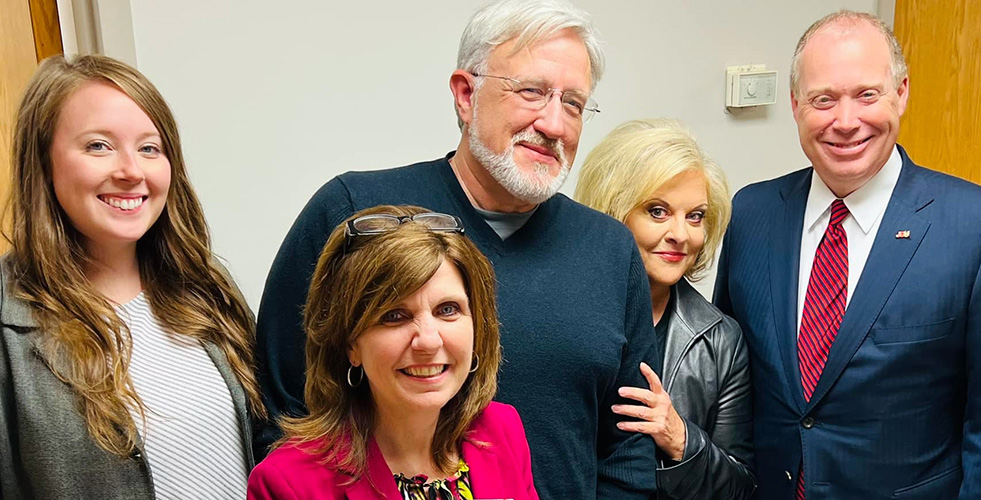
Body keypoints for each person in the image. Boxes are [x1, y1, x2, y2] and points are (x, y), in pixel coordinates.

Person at [254, 1, 658, 498]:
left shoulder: (610, 250)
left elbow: (629, 441)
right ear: (466, 95)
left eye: (573, 103)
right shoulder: (358, 215)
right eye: (531, 92)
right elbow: (282, 406)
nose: (554, 124)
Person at [713, 11, 981, 499]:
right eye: (823, 99)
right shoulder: (752, 212)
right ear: (795, 105)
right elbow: (732, 376)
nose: (845, 122)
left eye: (866, 95)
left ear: (902, 92)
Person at [0, 55, 264, 499]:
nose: (131, 171)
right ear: (42, 163)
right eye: (98, 146)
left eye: (149, 148)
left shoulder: (206, 285)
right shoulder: (8, 321)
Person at [248, 205, 537, 500]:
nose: (428, 341)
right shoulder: (288, 483)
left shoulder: (501, 431)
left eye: (447, 310)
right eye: (394, 316)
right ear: (350, 344)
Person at [575, 119, 756, 500]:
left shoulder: (720, 340)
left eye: (695, 216)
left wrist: (680, 437)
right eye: (657, 211)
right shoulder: (564, 315)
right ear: (612, 212)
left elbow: (741, 488)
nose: (681, 234)